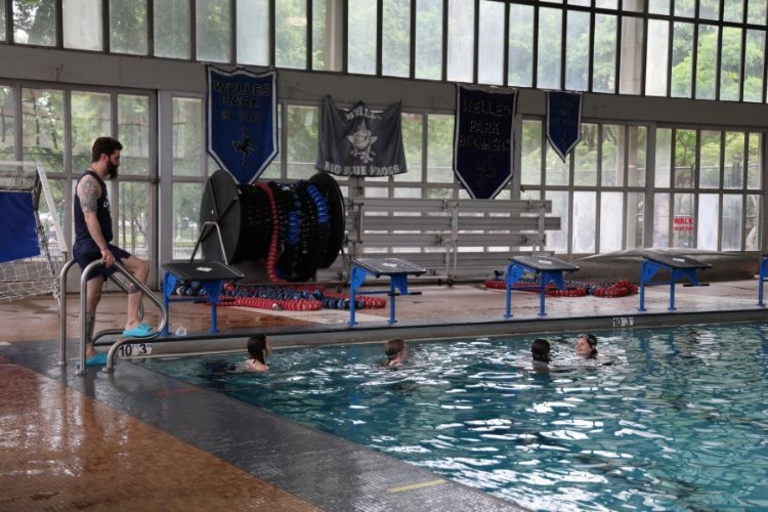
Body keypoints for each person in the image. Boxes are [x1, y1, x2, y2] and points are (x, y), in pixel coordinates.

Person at [73, 137, 152, 366]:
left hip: (89, 247)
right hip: (92, 246)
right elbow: (89, 217)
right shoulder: (89, 182)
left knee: (92, 300)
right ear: (104, 156)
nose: (118, 163)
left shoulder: (95, 181)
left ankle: (87, 351)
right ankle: (132, 322)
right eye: (116, 158)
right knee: (141, 267)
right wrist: (104, 248)